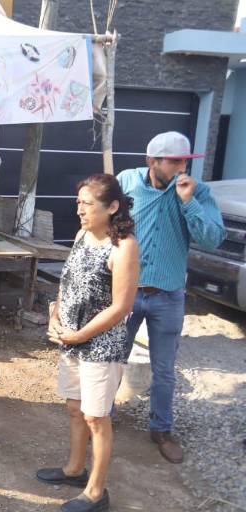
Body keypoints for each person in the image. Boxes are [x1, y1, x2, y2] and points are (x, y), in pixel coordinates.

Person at [117, 131, 225, 464]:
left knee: (164, 369)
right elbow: (104, 219)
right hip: (126, 291)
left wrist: (188, 203)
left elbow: (212, 239)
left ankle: (161, 430)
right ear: (153, 161)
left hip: (169, 296)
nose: (182, 168)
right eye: (175, 161)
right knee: (112, 357)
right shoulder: (127, 181)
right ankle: (100, 415)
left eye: (186, 161)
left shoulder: (197, 191)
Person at [36, 174, 139, 512]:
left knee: (97, 417)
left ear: (111, 207)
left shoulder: (124, 247)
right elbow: (68, 280)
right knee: (74, 409)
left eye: (86, 204)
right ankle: (74, 470)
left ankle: (96, 493)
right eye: (78, 202)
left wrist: (80, 335)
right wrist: (55, 314)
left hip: (101, 346)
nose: (79, 210)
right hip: (71, 339)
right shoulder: (82, 235)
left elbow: (121, 306)